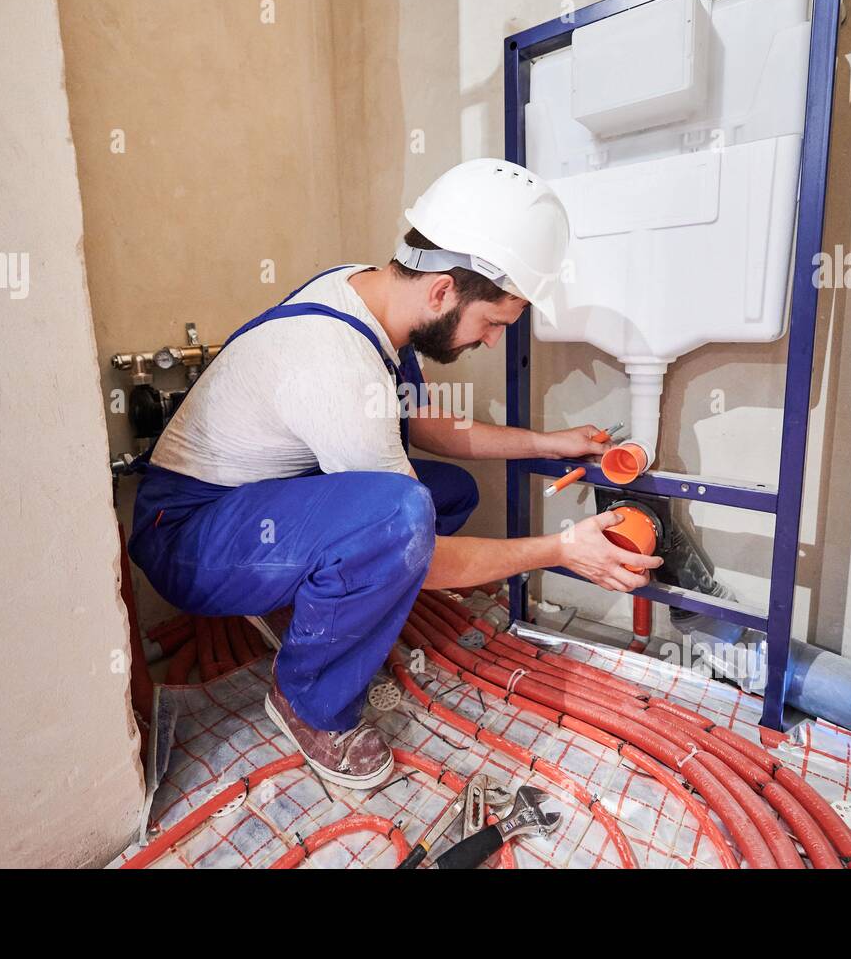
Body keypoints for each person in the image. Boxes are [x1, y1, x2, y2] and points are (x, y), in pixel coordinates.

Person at [128, 158, 661, 789]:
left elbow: (424, 421)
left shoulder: (373, 295)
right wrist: (560, 550)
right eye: (492, 323)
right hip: (188, 535)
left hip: (255, 503)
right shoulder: (337, 363)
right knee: (404, 516)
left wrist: (548, 440)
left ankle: (306, 608)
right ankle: (307, 702)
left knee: (445, 495)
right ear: (442, 292)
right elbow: (417, 550)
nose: (492, 342)